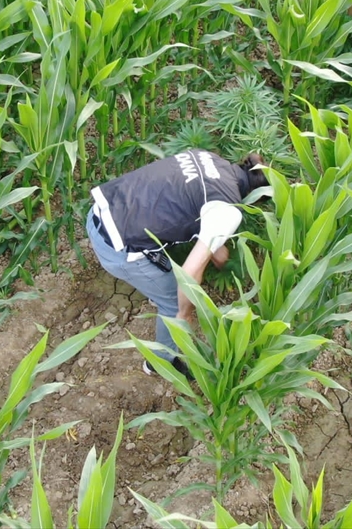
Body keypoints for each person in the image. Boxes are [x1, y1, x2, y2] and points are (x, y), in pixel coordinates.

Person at [87, 150, 269, 379]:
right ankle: (160, 363)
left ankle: (156, 290)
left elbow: (189, 204)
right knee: (175, 302)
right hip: (117, 248)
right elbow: (190, 273)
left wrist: (217, 250)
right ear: (253, 199)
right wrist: (185, 312)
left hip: (101, 211)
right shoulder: (227, 211)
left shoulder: (209, 158)